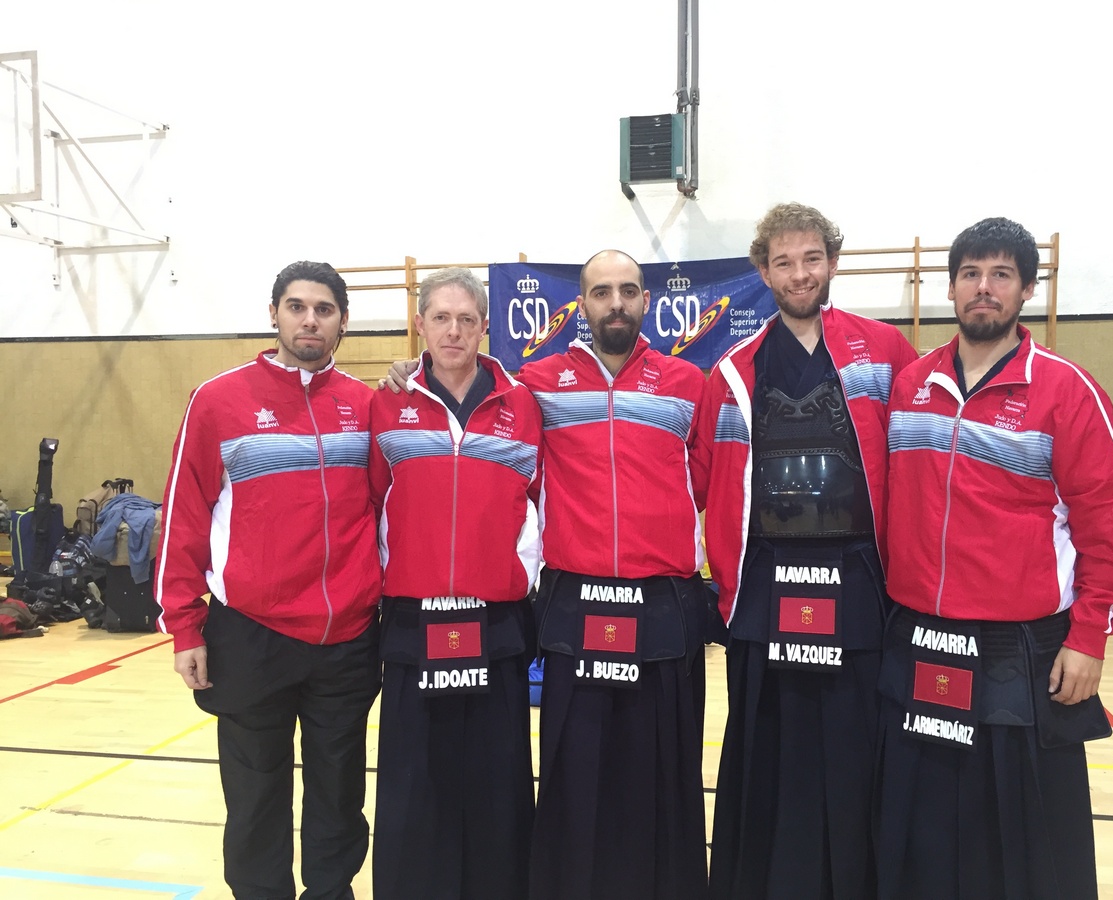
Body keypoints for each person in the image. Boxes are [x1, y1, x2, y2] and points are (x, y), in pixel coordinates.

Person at [385, 249, 711, 899]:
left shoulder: (687, 383)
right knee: (575, 777)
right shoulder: (536, 384)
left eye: (626, 291)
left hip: (665, 606)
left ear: (645, 301)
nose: (614, 303)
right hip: (575, 604)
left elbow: (708, 483)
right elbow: (472, 394)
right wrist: (409, 372)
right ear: (580, 305)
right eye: (599, 292)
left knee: (662, 777)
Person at [877, 217, 1113, 899]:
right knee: (922, 842)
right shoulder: (910, 385)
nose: (983, 288)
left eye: (1001, 275)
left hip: (1020, 655)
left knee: (1025, 856)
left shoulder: (1067, 391)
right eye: (970, 274)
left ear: (1028, 288)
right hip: (918, 643)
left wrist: (1090, 637)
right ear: (951, 287)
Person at [689, 202, 918, 899]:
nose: (799, 273)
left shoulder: (884, 352)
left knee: (854, 754)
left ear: (832, 263)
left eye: (811, 259)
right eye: (783, 262)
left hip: (857, 585)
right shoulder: (733, 369)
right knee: (769, 754)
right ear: (764, 271)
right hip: (765, 588)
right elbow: (698, 477)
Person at [155, 261, 382, 900]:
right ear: (274, 314)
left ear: (343, 322)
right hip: (251, 635)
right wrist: (183, 625)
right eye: (297, 306)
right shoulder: (218, 401)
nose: (310, 320)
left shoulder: (365, 407)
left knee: (339, 793)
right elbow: (183, 517)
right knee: (256, 792)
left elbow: (387, 510)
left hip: (346, 639)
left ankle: (331, 893)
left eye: (325, 309)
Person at [368, 267, 542, 899]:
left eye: (467, 319)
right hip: (414, 624)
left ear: (485, 327)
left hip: (496, 622)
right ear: (420, 325)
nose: (454, 331)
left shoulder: (524, 405)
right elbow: (370, 502)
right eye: (441, 318)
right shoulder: (384, 404)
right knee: (417, 783)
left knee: (497, 780)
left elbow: (539, 503)